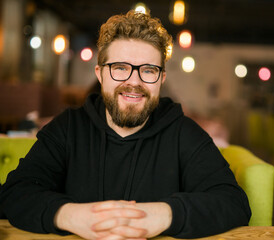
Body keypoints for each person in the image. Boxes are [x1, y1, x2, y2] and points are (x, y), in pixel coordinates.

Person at [0, 11, 251, 240]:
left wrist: (162, 215)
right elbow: (15, 193)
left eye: (148, 70)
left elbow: (233, 203)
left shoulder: (183, 133)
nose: (134, 82)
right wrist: (71, 216)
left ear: (161, 78)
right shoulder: (67, 128)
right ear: (100, 74)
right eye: (120, 68)